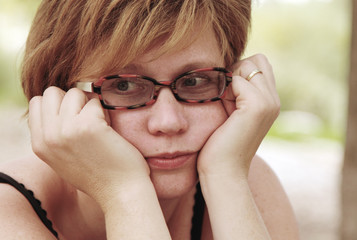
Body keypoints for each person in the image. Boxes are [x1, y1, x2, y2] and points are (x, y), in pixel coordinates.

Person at [0, 0, 300, 239]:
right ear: (59, 99)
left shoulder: (237, 175)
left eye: (194, 81)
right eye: (124, 86)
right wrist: (123, 193)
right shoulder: (7, 215)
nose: (169, 122)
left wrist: (227, 178)